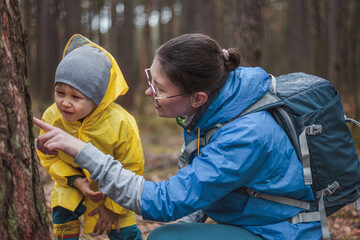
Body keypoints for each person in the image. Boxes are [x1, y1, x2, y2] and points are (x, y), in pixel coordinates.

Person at [35, 33, 322, 240]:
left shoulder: (245, 136)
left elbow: (166, 202)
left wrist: (82, 150)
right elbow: (198, 192)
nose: (149, 93)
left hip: (280, 232)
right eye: (151, 79)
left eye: (158, 88)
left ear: (197, 98)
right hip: (253, 222)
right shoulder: (214, 111)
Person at [36, 34, 144, 240]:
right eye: (60, 93)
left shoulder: (121, 123)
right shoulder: (52, 116)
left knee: (125, 231)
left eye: (76, 97)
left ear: (98, 99)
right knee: (63, 212)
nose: (65, 103)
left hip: (114, 190)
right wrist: (76, 181)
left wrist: (113, 208)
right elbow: (49, 157)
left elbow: (132, 167)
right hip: (71, 184)